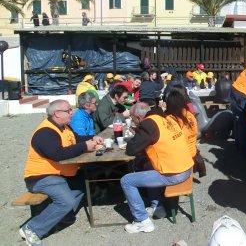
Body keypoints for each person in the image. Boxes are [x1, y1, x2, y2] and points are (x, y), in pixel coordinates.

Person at [19, 100, 102, 245]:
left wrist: (91, 138)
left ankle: (63, 217)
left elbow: (76, 139)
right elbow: (58, 154)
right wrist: (84, 146)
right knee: (66, 201)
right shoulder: (45, 132)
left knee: (83, 184)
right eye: (68, 110)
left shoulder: (64, 127)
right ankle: (31, 229)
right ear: (57, 114)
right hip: (41, 177)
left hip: (59, 174)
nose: (72, 112)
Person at [121, 101, 193, 233]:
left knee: (126, 181)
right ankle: (157, 207)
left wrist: (137, 132)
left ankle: (142, 221)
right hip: (187, 167)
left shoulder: (148, 124)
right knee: (149, 166)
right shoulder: (166, 118)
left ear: (138, 118)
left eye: (132, 118)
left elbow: (131, 149)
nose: (132, 120)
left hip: (174, 173)